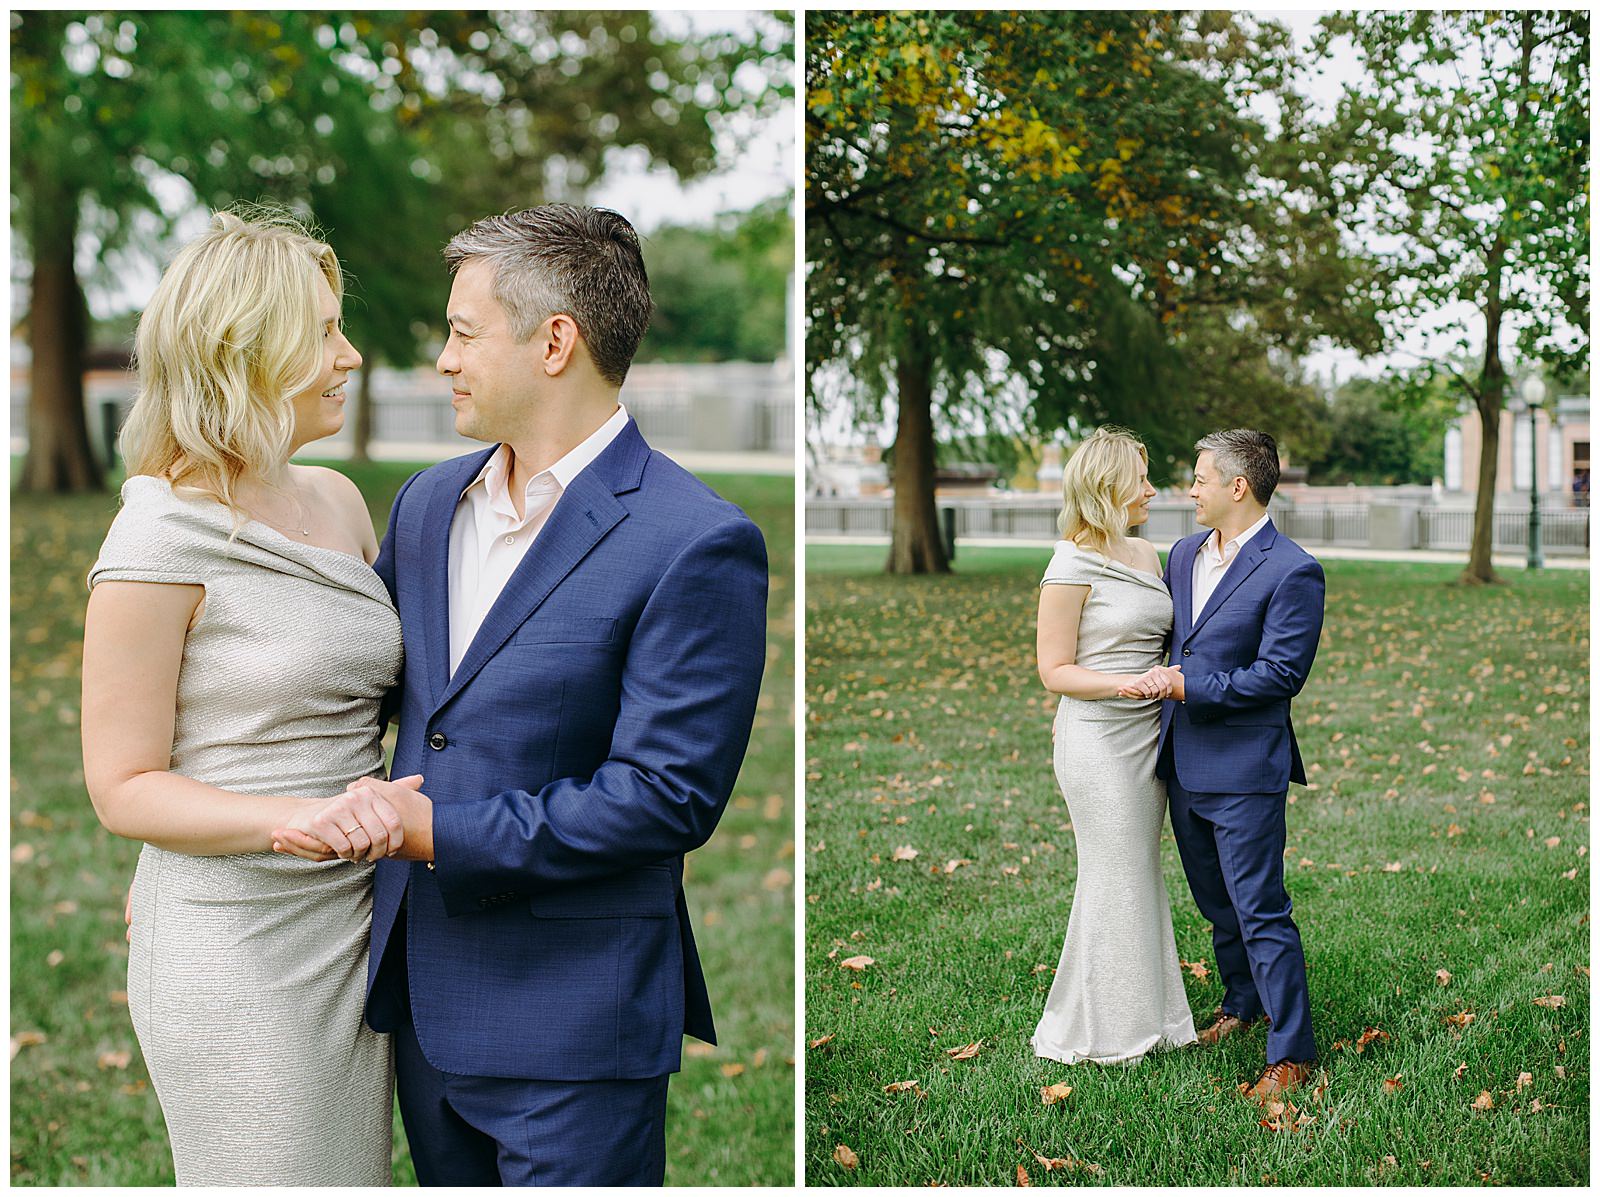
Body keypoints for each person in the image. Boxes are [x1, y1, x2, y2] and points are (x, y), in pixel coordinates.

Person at [271, 205, 768, 1186]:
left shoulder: (694, 540)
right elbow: (355, 688)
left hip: (574, 1024)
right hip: (421, 999)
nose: (441, 359)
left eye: (462, 332)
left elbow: (664, 798)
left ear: (554, 341)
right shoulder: (424, 504)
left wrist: (431, 836)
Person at [83, 210, 410, 1185]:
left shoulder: (340, 501)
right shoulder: (157, 543)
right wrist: (296, 822)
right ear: (243, 351)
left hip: (354, 926)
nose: (348, 354)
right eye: (321, 333)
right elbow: (123, 786)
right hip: (234, 942)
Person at [1137, 428, 1324, 1100]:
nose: (1190, 488)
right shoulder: (1183, 553)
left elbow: (1279, 673)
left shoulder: (1292, 569)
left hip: (1246, 766)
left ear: (1236, 486)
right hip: (1181, 761)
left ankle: (1292, 1050)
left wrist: (1189, 686)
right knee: (1217, 904)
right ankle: (1240, 1005)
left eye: (1199, 477)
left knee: (1260, 907)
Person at [1031, 426, 1199, 1066]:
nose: (1153, 490)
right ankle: (1100, 1032)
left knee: (1138, 873)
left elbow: (1165, 642)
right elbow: (1054, 670)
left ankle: (1156, 1017)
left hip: (1148, 736)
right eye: (1142, 478)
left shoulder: (1147, 555)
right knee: (1113, 875)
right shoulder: (1068, 566)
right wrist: (1123, 686)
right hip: (1099, 740)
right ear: (1108, 487)